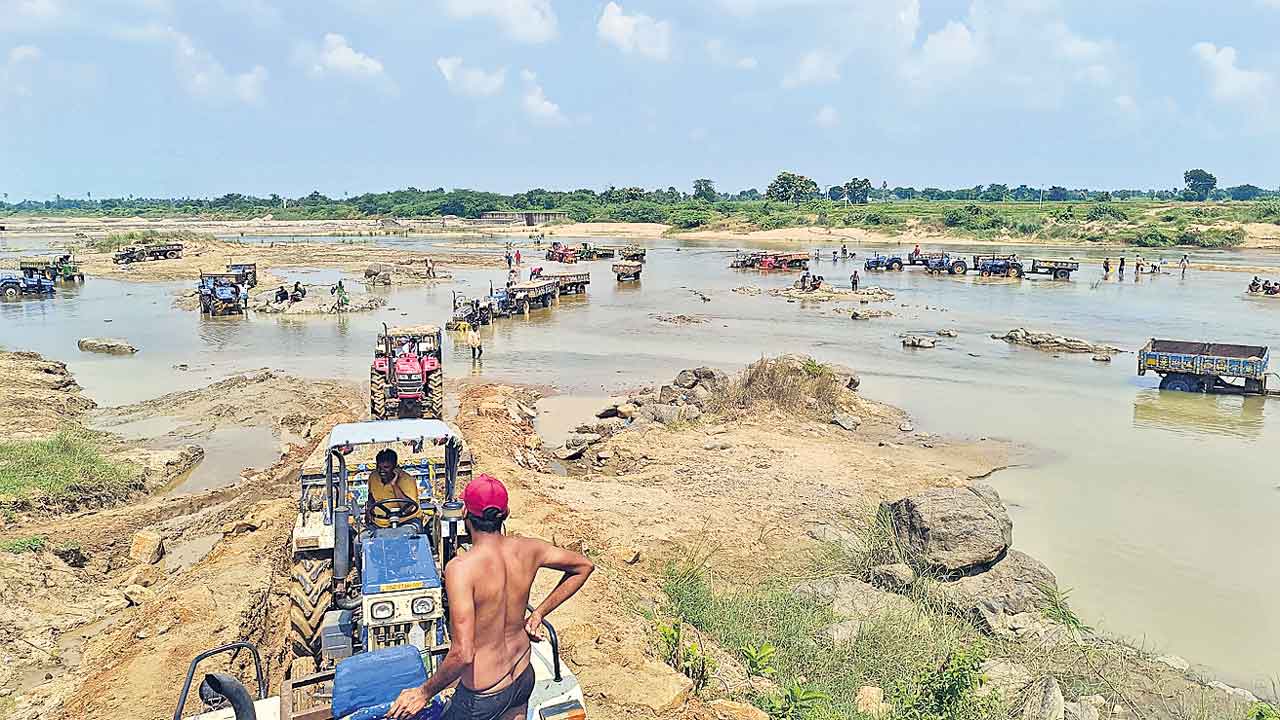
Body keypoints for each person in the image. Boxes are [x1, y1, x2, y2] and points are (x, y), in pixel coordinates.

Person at [388, 474, 594, 720]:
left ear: (465, 513)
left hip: (483, 694)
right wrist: (537, 614)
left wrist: (423, 692)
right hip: (522, 675)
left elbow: (463, 653)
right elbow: (584, 566)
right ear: (505, 513)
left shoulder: (461, 568)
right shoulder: (530, 549)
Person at [366, 449, 420, 530]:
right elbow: (371, 496)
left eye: (386, 467)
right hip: (380, 523)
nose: (381, 471)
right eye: (379, 467)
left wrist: (394, 485)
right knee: (361, 539)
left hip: (406, 521)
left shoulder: (407, 480)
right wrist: (369, 510)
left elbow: (408, 508)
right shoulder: (373, 477)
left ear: (395, 467)